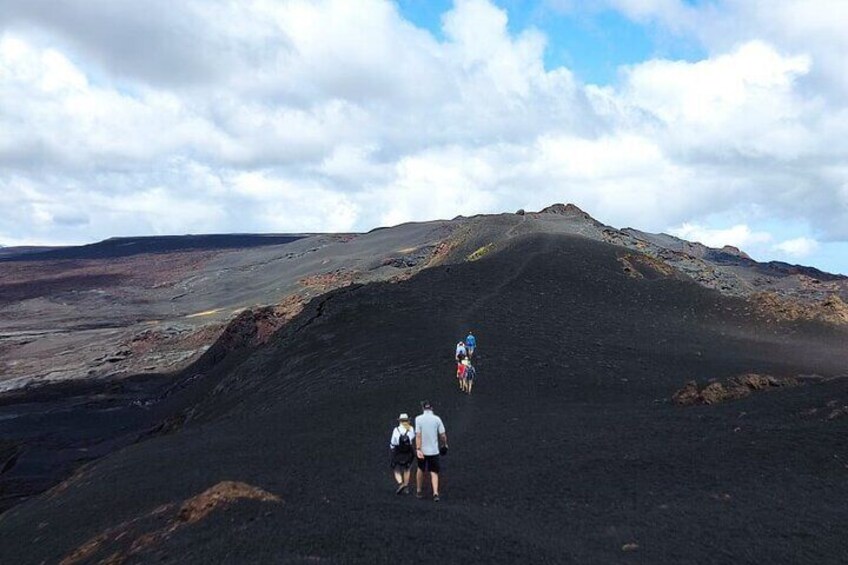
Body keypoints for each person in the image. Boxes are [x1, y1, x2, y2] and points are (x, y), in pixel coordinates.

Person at [415, 400, 448, 501]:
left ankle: (419, 490)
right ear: (432, 408)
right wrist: (444, 444)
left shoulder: (418, 419)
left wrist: (418, 448)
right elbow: (442, 435)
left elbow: (418, 435)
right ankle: (435, 493)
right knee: (434, 472)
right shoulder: (437, 419)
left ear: (423, 408)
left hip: (423, 450)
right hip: (434, 451)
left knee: (420, 469)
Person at [389, 413, 416, 494]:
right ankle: (406, 486)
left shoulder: (396, 430)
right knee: (407, 469)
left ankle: (401, 483)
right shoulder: (411, 429)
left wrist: (392, 449)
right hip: (408, 451)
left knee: (396, 469)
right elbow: (412, 438)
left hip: (398, 451)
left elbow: (393, 442)